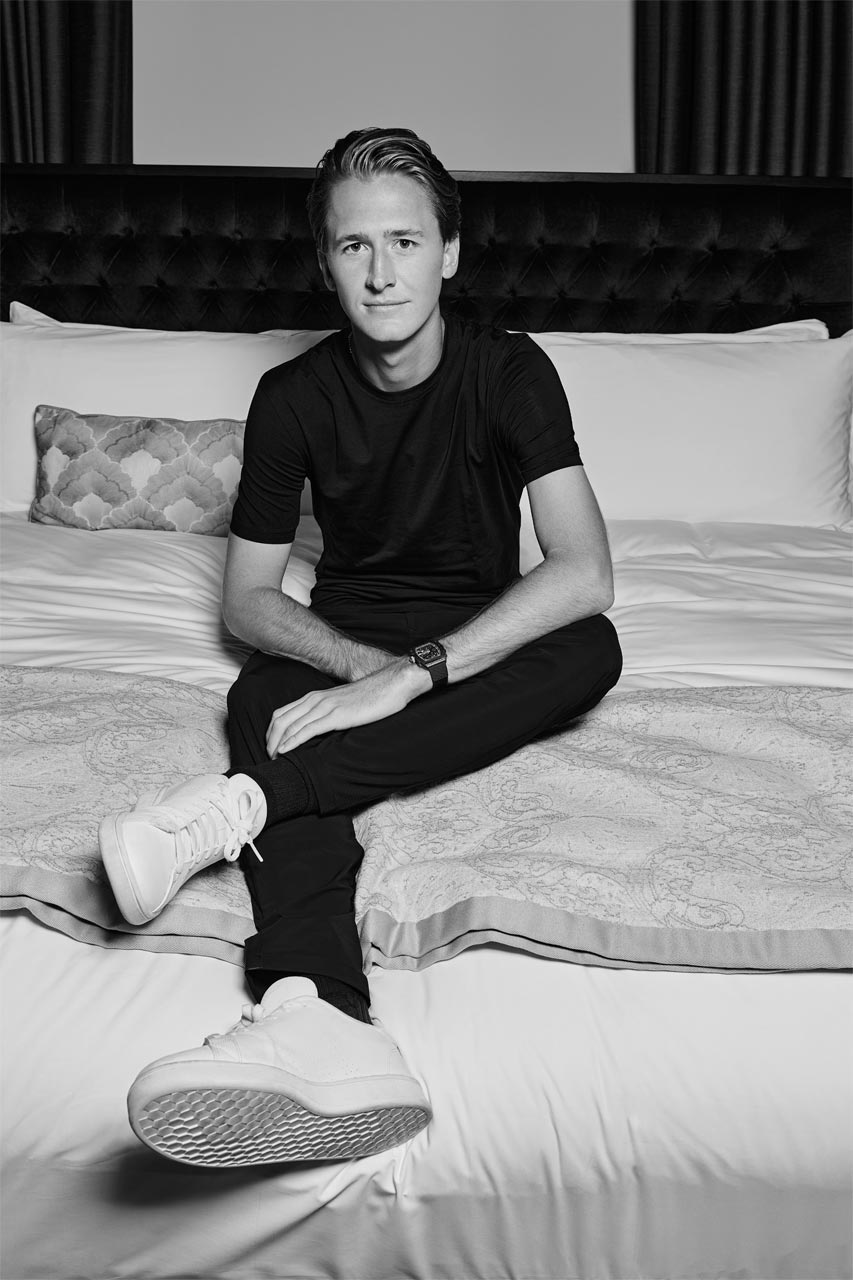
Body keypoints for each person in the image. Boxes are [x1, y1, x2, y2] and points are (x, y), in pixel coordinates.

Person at [99, 126, 622, 1169]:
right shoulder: (292, 395)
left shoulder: (511, 371)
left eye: (406, 241)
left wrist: (411, 679)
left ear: (449, 253)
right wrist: (360, 672)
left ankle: (243, 804)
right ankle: (317, 1008)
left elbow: (583, 573)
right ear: (326, 261)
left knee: (590, 648)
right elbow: (249, 600)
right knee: (261, 701)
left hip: (471, 639)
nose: (382, 272)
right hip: (349, 632)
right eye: (354, 245)